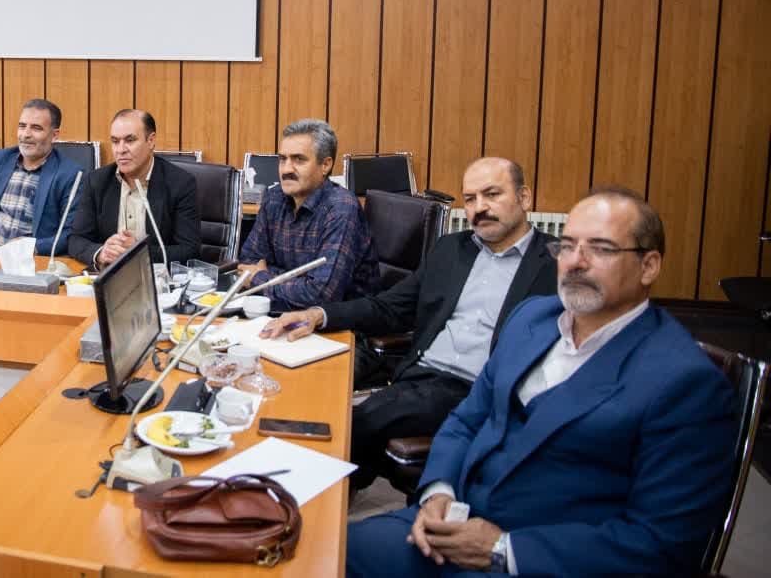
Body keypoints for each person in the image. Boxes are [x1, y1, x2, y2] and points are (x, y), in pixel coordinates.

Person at [346, 187, 736, 577]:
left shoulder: (685, 384)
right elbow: (466, 420)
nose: (576, 262)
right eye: (567, 246)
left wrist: (501, 550)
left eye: (600, 249)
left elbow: (660, 546)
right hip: (449, 526)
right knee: (327, 549)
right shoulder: (531, 318)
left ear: (649, 266)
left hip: (541, 560)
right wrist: (438, 492)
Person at [262, 157, 556, 491]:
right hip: (420, 375)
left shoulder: (556, 264)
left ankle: (290, 487)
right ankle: (318, 488)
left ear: (524, 198)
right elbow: (390, 307)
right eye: (470, 199)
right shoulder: (452, 250)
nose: (480, 208)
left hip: (480, 389)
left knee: (359, 422)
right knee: (327, 408)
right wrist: (319, 314)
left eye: (492, 195)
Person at [237, 119, 378, 310]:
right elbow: (247, 263)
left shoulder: (341, 209)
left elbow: (322, 295)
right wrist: (300, 283)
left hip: (336, 323)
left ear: (325, 165)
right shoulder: (274, 197)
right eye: (282, 159)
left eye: (298, 159)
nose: (286, 169)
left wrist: (262, 278)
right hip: (276, 312)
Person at [67, 109, 200, 267]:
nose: (121, 149)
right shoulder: (97, 181)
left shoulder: (180, 184)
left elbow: (189, 250)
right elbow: (76, 239)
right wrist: (101, 253)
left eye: (130, 140)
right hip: (108, 275)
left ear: (150, 141)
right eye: (115, 141)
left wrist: (139, 251)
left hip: (155, 277)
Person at [0, 99, 83, 255]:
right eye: (22, 126)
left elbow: (70, 234)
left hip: (27, 262)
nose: (26, 134)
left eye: (36, 128)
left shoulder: (70, 175)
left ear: (54, 135)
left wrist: (32, 247)